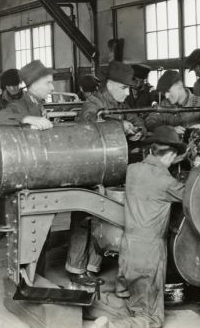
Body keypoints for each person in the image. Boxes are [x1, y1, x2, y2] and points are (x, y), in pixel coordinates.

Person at [92, 126, 188, 328]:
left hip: (128, 249)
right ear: (170, 154)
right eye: (173, 157)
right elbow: (195, 194)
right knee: (153, 318)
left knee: (133, 298)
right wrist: (197, 166)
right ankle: (112, 327)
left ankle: (96, 309)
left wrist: (180, 156)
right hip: (150, 252)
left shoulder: (133, 170)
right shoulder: (166, 182)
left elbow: (155, 171)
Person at [67, 61, 146, 287]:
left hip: (113, 168)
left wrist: (136, 132)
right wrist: (119, 125)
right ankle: (75, 268)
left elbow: (140, 122)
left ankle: (92, 268)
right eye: (124, 88)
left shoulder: (122, 103)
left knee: (106, 217)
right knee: (84, 218)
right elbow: (89, 123)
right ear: (110, 84)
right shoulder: (94, 102)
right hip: (90, 169)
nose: (128, 93)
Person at [144, 70, 200, 136]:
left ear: (179, 86)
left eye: (168, 91)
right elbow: (150, 122)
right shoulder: (164, 104)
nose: (166, 96)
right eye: (164, 93)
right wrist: (170, 129)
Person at [0, 60, 55, 131]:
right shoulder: (20, 105)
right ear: (34, 85)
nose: (52, 88)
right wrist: (26, 118)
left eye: (15, 85)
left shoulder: (38, 103)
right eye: (48, 83)